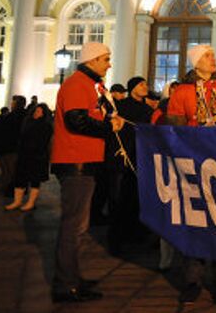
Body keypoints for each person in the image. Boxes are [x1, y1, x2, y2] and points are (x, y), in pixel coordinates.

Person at [50, 42, 124, 303]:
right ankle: (65, 284)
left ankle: (72, 277)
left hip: (85, 160)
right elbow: (76, 120)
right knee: (74, 226)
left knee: (78, 226)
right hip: (75, 161)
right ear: (92, 61)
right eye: (105, 59)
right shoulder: (77, 84)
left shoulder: (88, 84)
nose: (109, 64)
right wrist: (108, 126)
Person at [166, 45, 216, 304]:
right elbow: (176, 129)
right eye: (207, 55)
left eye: (213, 54)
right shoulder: (183, 92)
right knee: (195, 223)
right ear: (196, 63)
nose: (213, 58)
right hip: (195, 164)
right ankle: (192, 280)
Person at [105, 76, 153, 256]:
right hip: (121, 158)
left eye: (145, 83)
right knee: (117, 199)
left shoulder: (147, 109)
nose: (145, 86)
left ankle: (134, 234)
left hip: (139, 157)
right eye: (141, 84)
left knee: (134, 198)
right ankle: (115, 239)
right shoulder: (121, 106)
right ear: (132, 88)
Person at [4, 103, 53, 211]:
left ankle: (30, 203)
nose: (37, 113)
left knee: (35, 180)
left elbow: (42, 142)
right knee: (20, 178)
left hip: (37, 157)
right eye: (36, 111)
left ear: (44, 114)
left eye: (40, 112)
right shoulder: (27, 122)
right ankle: (17, 202)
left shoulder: (46, 126)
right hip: (24, 156)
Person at [0, 95, 27, 196]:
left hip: (12, 148)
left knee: (10, 170)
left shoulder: (20, 116)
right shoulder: (13, 115)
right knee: (6, 169)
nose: (12, 104)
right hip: (6, 147)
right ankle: (5, 187)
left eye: (14, 103)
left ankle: (9, 189)